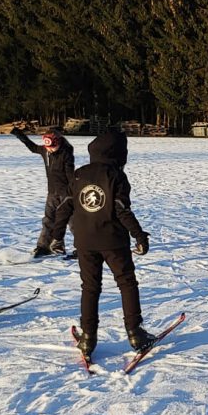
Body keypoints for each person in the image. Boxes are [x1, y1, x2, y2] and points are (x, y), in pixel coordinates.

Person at [52, 131, 154, 359]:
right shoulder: (116, 175)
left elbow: (65, 207)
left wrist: (57, 235)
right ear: (118, 154)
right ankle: (135, 333)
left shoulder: (79, 175)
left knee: (90, 288)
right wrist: (139, 236)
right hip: (113, 241)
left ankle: (88, 338)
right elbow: (121, 209)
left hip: (85, 242)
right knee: (127, 283)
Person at [10, 126, 75, 256]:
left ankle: (82, 247)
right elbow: (32, 147)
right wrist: (20, 135)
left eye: (52, 147)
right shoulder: (45, 151)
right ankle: (44, 246)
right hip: (52, 193)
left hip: (66, 194)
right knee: (48, 220)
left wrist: (73, 192)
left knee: (73, 222)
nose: (49, 149)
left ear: (59, 142)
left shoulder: (66, 154)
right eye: (47, 147)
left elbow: (70, 175)